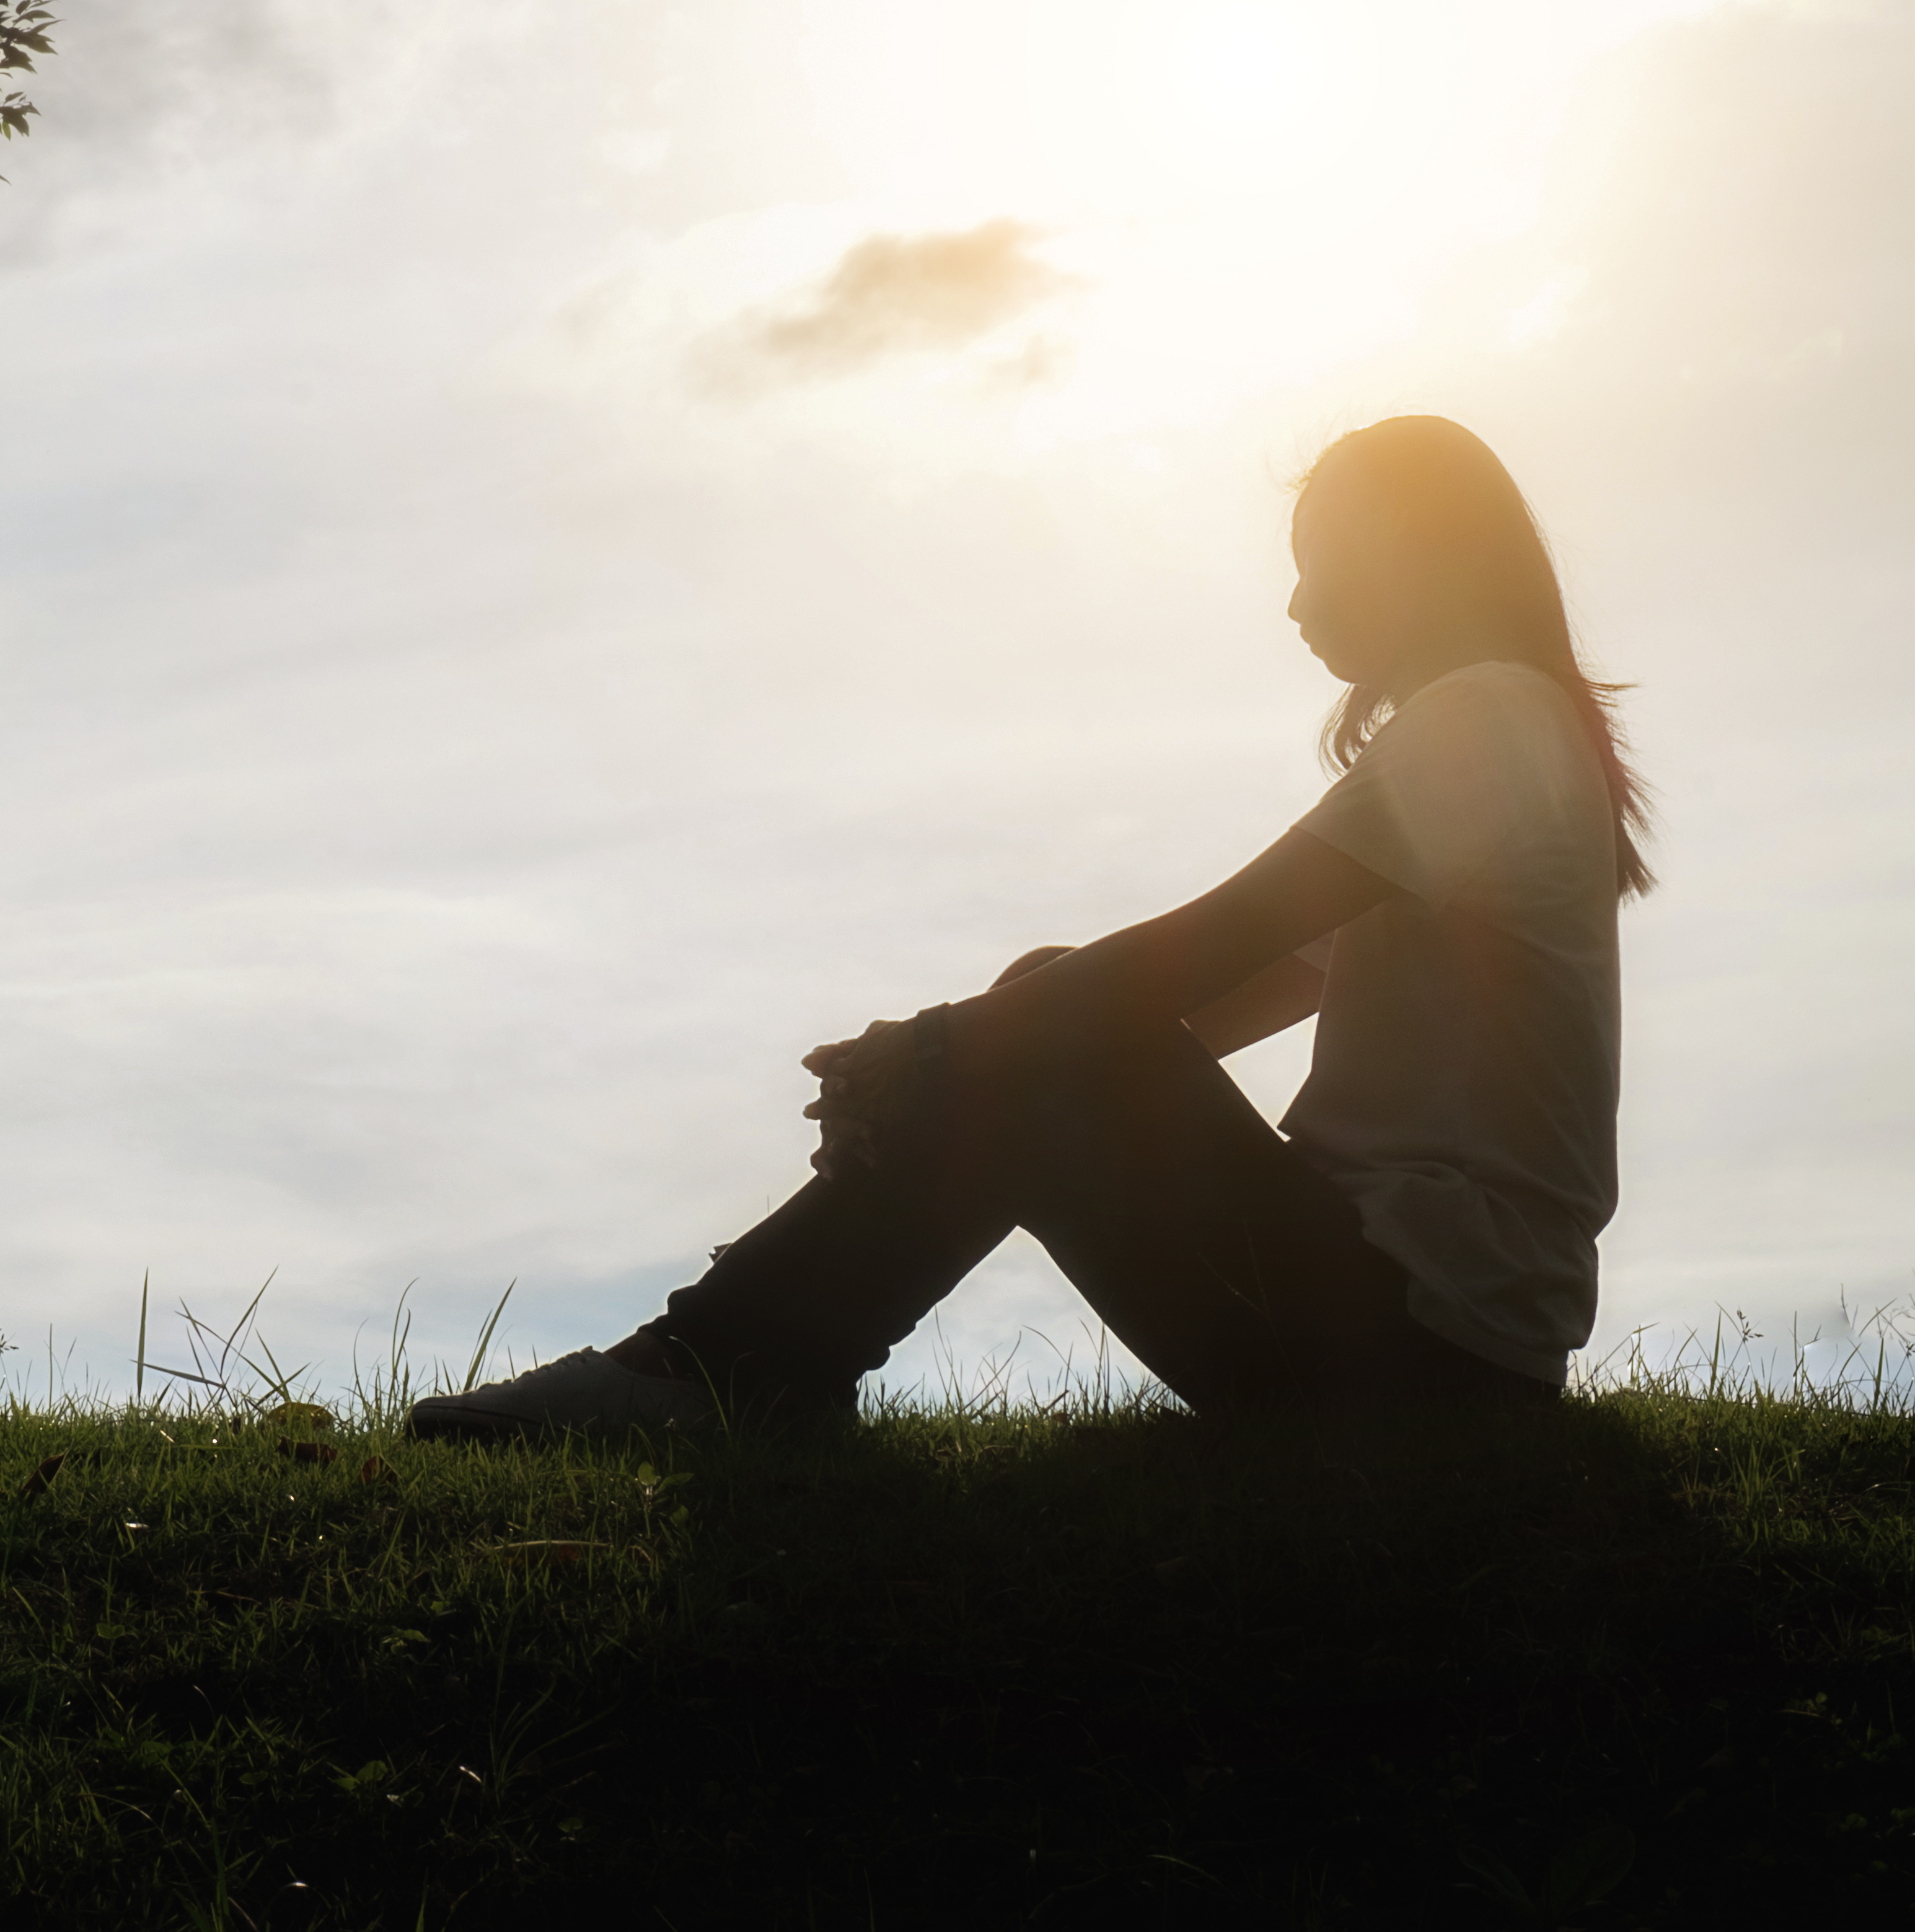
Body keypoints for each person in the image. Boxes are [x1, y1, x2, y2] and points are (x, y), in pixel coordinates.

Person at [411, 415, 1652, 1439]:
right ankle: (744, 1359)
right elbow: (1214, 1001)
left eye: (1318, 554)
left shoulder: (1485, 721)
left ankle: (717, 1366)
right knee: (1044, 1009)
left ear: (1408, 542)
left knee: (1041, 1016)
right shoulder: (1505, 727)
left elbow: (1214, 939)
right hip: (1421, 1342)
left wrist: (940, 1046)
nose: (1294, 602)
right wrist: (960, 1069)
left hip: (1415, 1347)